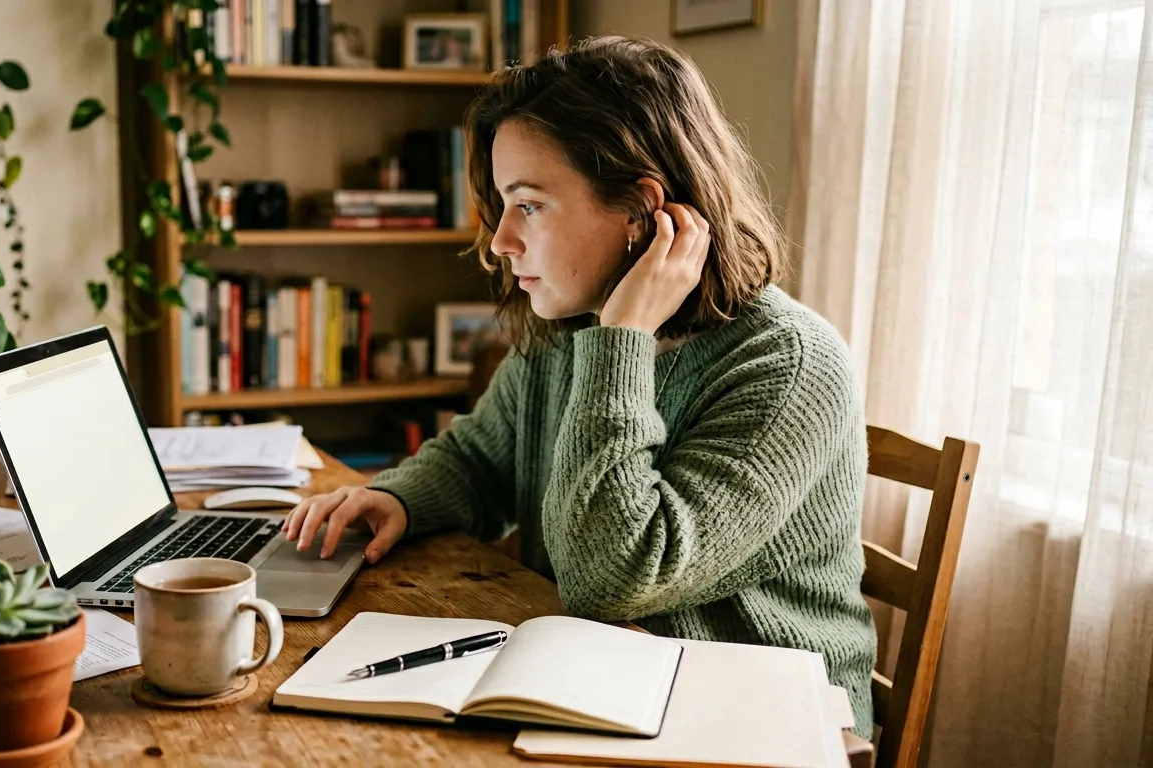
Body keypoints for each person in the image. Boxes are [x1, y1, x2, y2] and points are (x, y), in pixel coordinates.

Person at [282, 36, 877, 738]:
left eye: (529, 205)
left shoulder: (788, 365)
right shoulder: (575, 331)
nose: (502, 240)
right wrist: (398, 498)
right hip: (606, 679)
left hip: (759, 716)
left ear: (640, 212)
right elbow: (482, 456)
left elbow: (614, 576)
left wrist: (621, 340)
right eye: (505, 204)